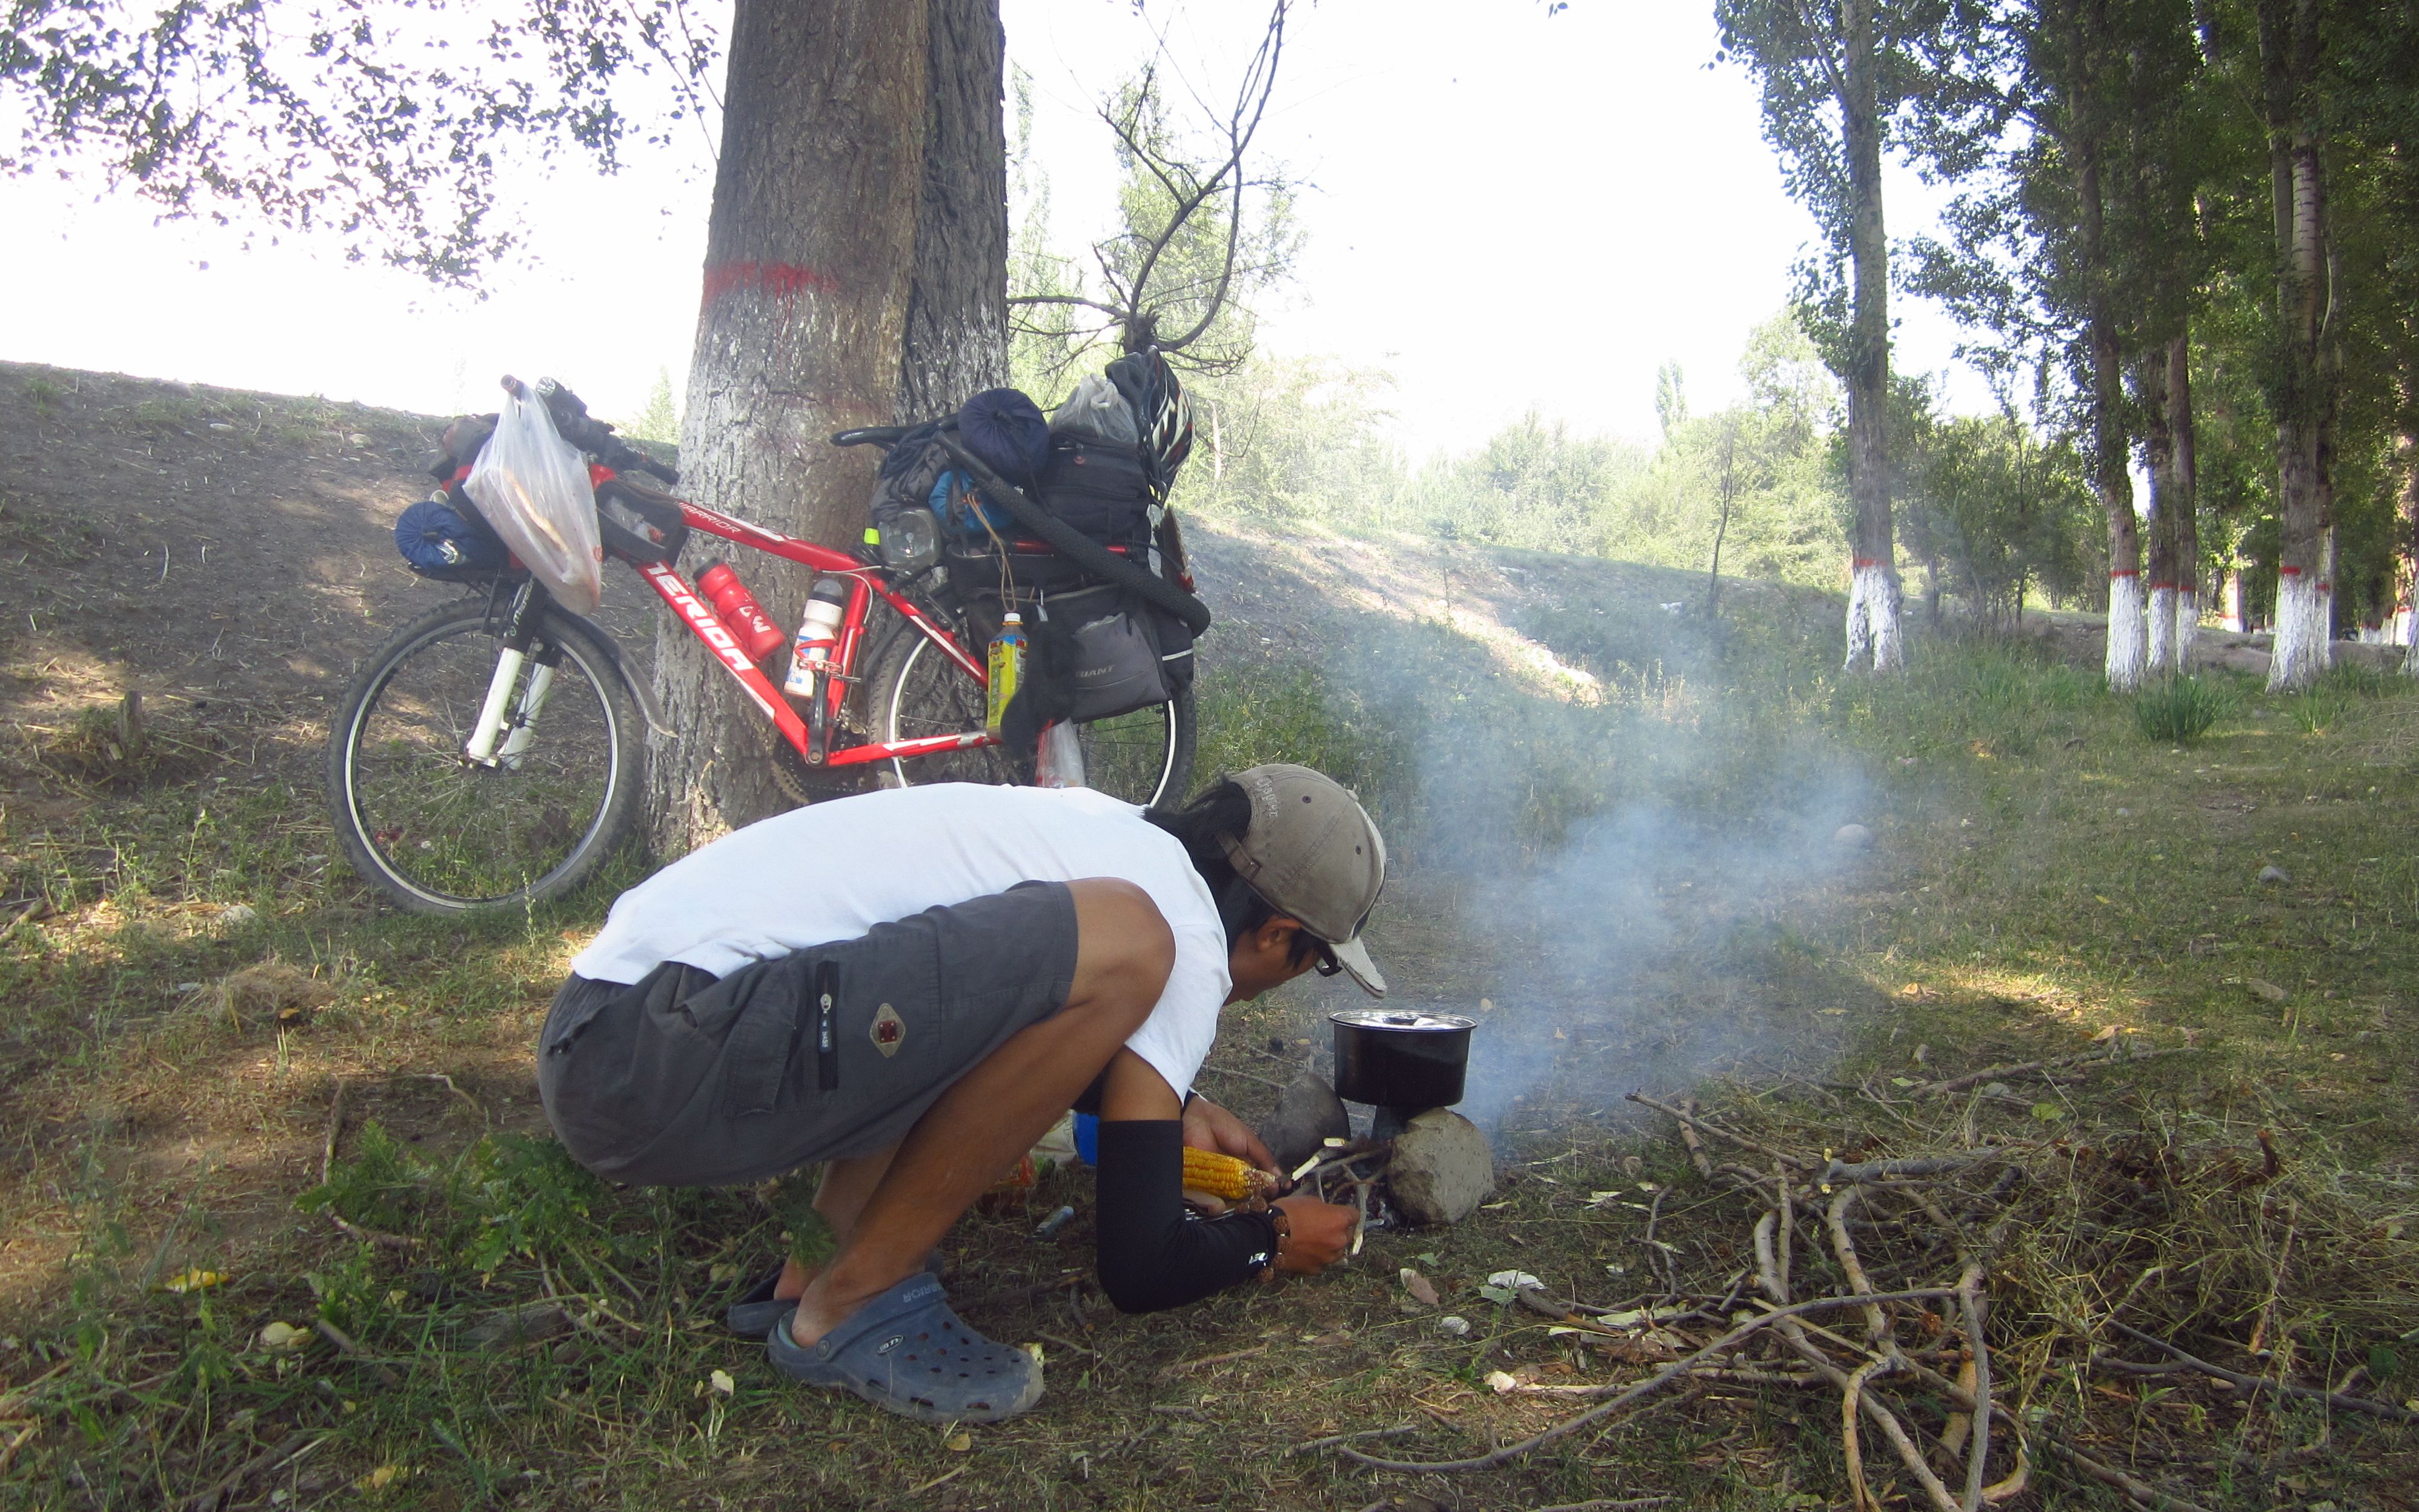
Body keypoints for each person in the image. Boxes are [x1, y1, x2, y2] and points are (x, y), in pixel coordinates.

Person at [535, 764, 1388, 1424]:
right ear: (1278, 935)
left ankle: (814, 1270)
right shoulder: (1178, 933)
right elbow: (1141, 1266)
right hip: (664, 1050)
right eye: (1310, 963)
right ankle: (855, 1299)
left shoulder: (1100, 828)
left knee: (1089, 950)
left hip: (621, 1030)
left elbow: (972, 1015)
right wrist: (1268, 1237)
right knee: (1130, 942)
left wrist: (1173, 1103)